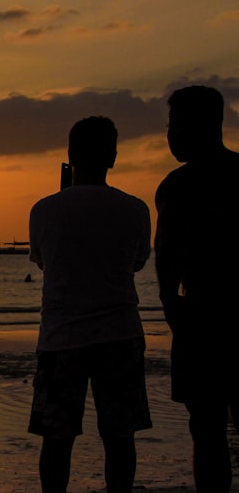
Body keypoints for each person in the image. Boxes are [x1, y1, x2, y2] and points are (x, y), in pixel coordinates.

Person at [28, 116, 151, 493]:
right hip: (119, 335)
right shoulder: (135, 209)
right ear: (112, 158)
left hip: (61, 338)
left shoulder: (43, 210)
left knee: (57, 439)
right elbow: (137, 262)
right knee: (119, 436)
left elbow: (43, 261)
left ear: (70, 156)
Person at [155, 85, 239, 492]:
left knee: (207, 433)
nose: (168, 136)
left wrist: (175, 315)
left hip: (202, 319)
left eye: (172, 126)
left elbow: (166, 265)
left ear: (194, 127)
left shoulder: (177, 186)